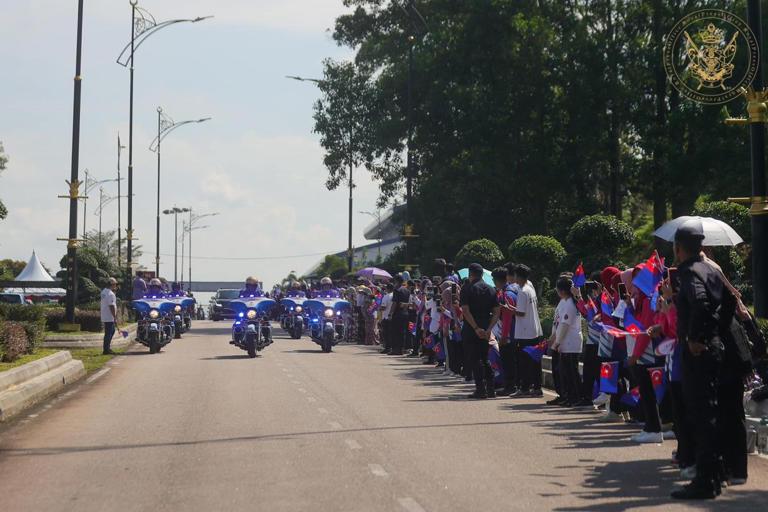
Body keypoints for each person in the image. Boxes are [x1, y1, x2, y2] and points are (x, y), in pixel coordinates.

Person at [671, 218, 734, 500]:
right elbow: (730, 301)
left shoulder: (688, 272)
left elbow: (699, 303)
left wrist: (696, 338)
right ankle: (716, 473)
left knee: (700, 415)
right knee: (712, 412)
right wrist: (716, 333)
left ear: (677, 248)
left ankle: (705, 480)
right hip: (716, 349)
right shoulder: (710, 269)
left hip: (698, 353)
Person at [460, 263, 501, 399]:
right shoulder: (491, 289)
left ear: (470, 274)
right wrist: (489, 328)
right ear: (482, 274)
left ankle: (480, 389)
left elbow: (465, 310)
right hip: (486, 327)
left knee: (474, 358)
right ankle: (491, 388)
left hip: (472, 328)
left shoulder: (467, 289)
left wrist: (476, 327)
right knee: (485, 358)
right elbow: (496, 311)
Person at [547, 276, 583, 406]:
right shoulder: (564, 302)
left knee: (571, 372)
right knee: (564, 372)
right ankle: (568, 395)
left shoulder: (570, 304)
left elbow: (564, 325)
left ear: (561, 290)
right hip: (564, 342)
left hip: (569, 342)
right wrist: (553, 338)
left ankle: (574, 397)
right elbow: (558, 323)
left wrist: (557, 342)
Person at [510, 264, 544, 397]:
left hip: (525, 332)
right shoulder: (530, 287)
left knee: (524, 361)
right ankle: (537, 387)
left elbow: (520, 313)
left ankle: (524, 388)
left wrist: (509, 308)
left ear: (518, 276)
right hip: (534, 329)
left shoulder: (523, 291)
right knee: (535, 361)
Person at [387, 274, 411, 355]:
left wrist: (390, 313)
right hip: (405, 313)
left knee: (395, 332)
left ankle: (395, 349)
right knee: (403, 332)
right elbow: (408, 302)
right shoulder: (407, 290)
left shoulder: (396, 290)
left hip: (397, 313)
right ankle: (401, 349)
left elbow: (394, 303)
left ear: (396, 281)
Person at [100, 277, 118, 355]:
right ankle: (106, 349)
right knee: (108, 333)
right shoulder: (110, 294)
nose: (116, 286)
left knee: (112, 331)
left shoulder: (103, 291)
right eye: (115, 284)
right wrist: (114, 317)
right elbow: (111, 306)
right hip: (109, 316)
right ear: (112, 284)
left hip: (105, 314)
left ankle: (107, 347)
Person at [379, 283, 394, 354]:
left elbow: (383, 307)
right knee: (391, 333)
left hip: (386, 316)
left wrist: (379, 308)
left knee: (386, 333)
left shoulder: (386, 296)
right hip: (393, 316)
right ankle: (391, 347)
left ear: (387, 289)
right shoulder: (394, 295)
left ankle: (387, 348)